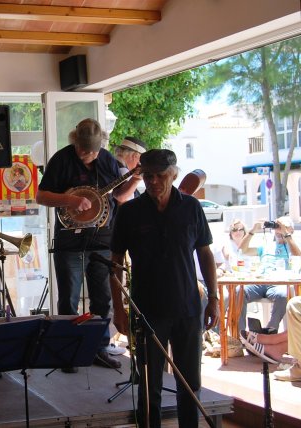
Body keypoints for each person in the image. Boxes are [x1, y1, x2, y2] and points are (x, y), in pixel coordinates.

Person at [110, 149, 220, 427]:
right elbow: (115, 262)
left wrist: (214, 298)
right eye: (148, 176)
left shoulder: (191, 207)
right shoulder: (129, 212)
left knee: (190, 385)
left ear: (173, 175)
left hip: (187, 309)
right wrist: (118, 309)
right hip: (146, 312)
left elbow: (205, 254)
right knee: (149, 388)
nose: (154, 182)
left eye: (160, 176)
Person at [35, 118, 141, 371]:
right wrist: (70, 200)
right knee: (69, 299)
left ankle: (99, 348)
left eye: (93, 151)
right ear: (75, 142)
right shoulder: (61, 160)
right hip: (69, 241)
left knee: (102, 299)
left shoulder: (107, 160)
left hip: (103, 240)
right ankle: (68, 352)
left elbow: (119, 196)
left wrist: (135, 180)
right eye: (83, 150)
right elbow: (41, 196)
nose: (88, 155)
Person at [237, 216, 300, 332]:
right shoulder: (267, 245)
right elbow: (242, 250)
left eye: (283, 226)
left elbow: (297, 256)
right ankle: (240, 334)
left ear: (291, 230)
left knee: (283, 295)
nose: (279, 230)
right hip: (260, 281)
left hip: (279, 284)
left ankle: (270, 330)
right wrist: (252, 231)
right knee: (239, 291)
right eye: (277, 226)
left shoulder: (292, 245)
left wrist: (286, 234)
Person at [113, 136, 146, 203]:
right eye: (140, 161)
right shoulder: (123, 171)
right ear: (135, 156)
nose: (139, 164)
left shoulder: (112, 165)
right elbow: (124, 199)